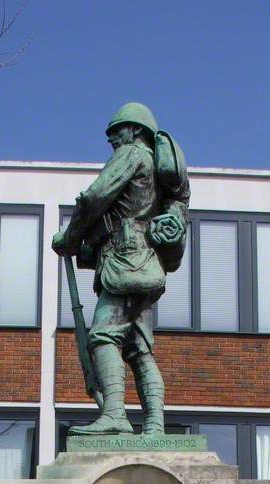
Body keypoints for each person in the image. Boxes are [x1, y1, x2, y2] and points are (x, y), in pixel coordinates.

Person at [51, 102, 188, 436]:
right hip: (147, 264)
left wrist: (69, 235)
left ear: (136, 130)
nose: (112, 138)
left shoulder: (133, 155)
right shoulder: (157, 169)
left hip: (125, 261)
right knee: (139, 348)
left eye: (118, 130)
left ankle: (114, 414)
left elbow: (94, 197)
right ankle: (155, 425)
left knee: (101, 336)